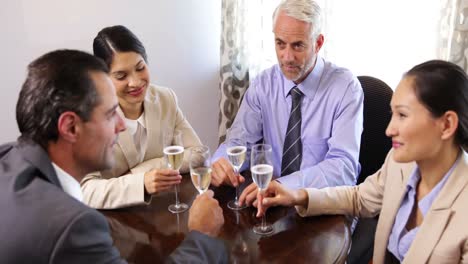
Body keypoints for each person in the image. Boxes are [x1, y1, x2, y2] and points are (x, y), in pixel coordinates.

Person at [0, 49, 227, 263]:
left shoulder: (7, 156)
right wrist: (202, 235)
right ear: (70, 127)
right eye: (110, 115)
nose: (121, 125)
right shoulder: (74, 226)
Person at [257, 60, 468, 263]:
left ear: (447, 124)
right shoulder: (401, 164)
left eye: (402, 115)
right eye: (392, 114)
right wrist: (298, 195)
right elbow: (359, 198)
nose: (389, 130)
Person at [211, 0, 364, 206]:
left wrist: (284, 185)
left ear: (318, 43)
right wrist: (220, 164)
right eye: (280, 43)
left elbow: (343, 168)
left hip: (323, 205)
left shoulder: (345, 88)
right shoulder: (263, 85)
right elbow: (239, 144)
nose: (287, 57)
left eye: (298, 45)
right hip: (270, 202)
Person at [81, 25, 203, 209]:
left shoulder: (165, 99)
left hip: (162, 211)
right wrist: (140, 184)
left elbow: (197, 153)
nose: (136, 82)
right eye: (121, 76)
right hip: (115, 221)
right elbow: (84, 190)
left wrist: (141, 173)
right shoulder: (90, 117)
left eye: (140, 68)